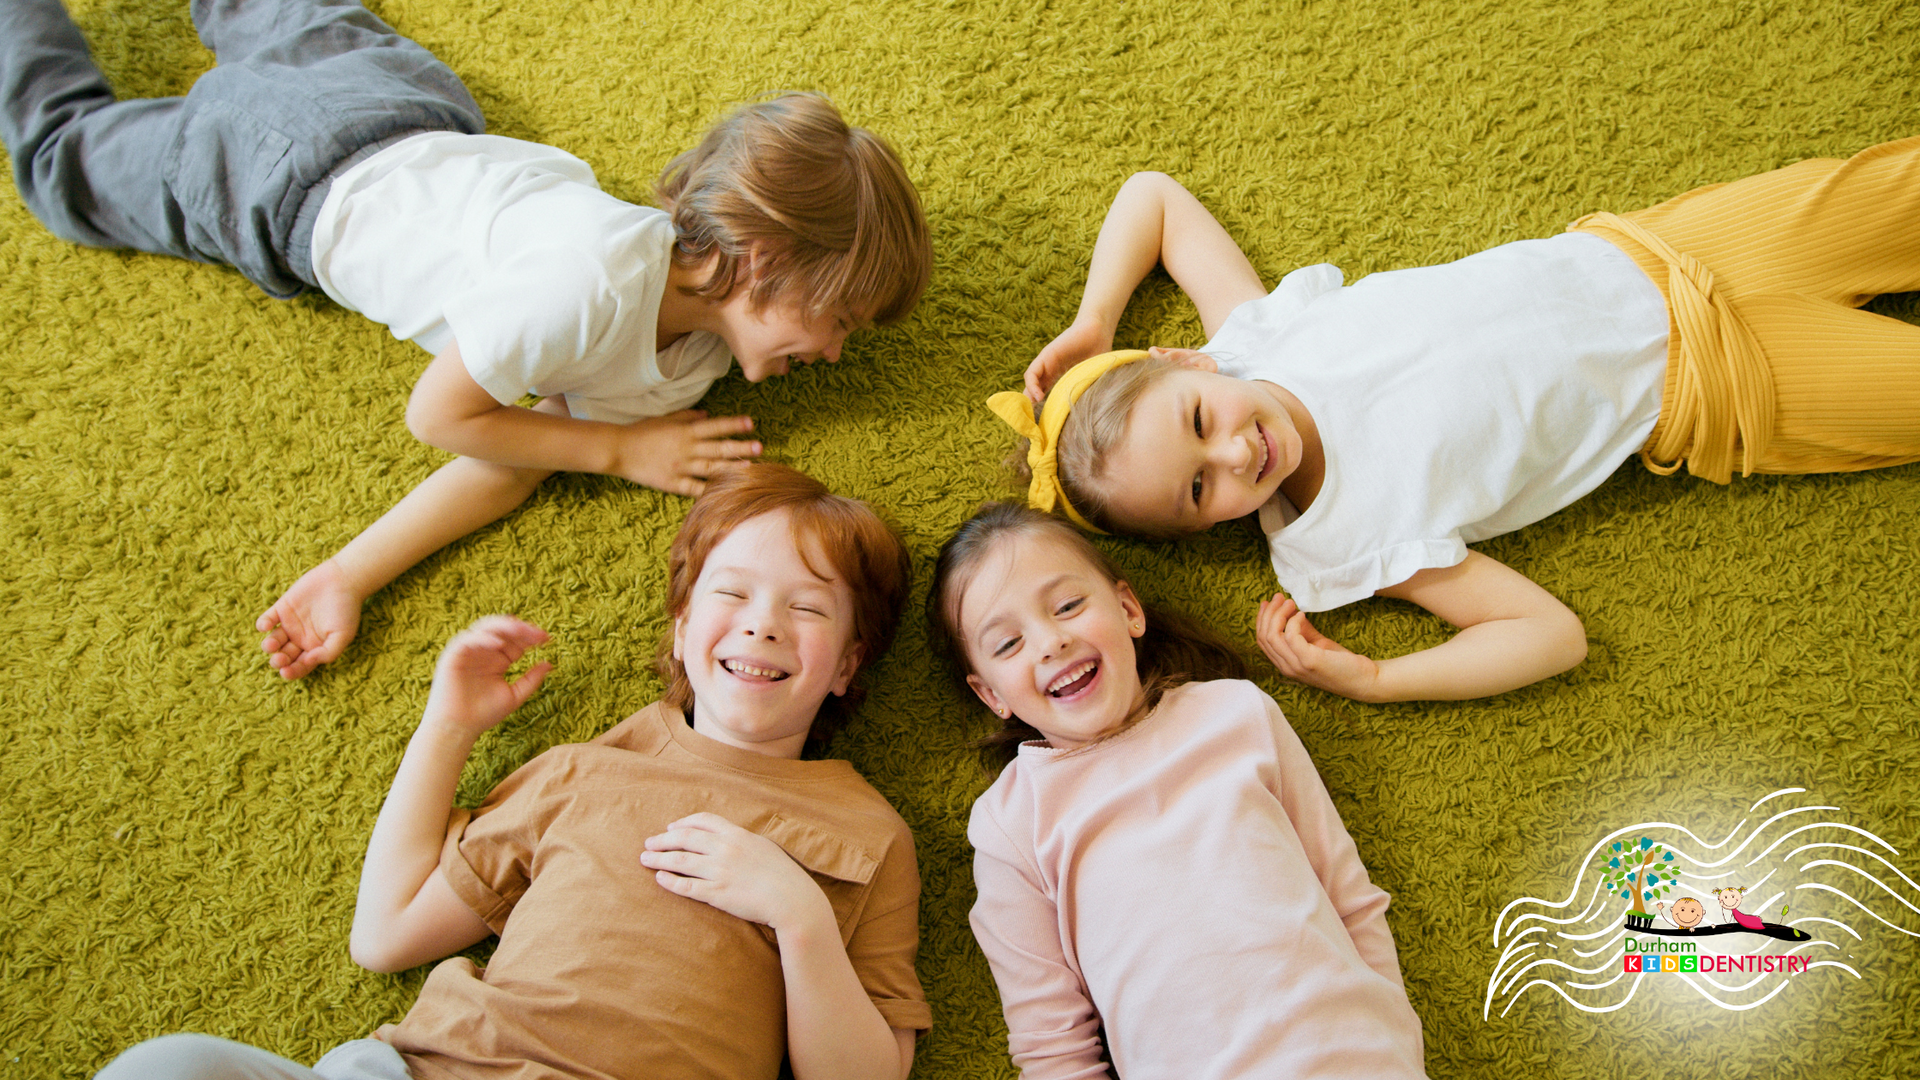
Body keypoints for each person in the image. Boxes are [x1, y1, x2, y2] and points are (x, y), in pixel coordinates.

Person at [0, 0, 932, 680]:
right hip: (278, 182)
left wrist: (348, 573)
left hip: (403, 107)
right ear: (763, 259)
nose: (840, 353)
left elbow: (514, 454)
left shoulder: (695, 360)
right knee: (60, 160)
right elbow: (444, 414)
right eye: (840, 318)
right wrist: (618, 451)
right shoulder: (583, 286)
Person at [997, 140, 1920, 702]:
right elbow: (1553, 637)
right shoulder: (1340, 546)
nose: (1238, 453)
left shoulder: (1260, 336)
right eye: (1202, 492)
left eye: (1201, 418)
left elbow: (1152, 197)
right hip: (1713, 385)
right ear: (1202, 531)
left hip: (1668, 248)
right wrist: (1381, 679)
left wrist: (1095, 320)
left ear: (1185, 361)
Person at [93, 463, 928, 1080]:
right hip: (432, 1069)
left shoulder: (867, 833)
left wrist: (798, 916)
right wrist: (448, 725)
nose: (763, 627)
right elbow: (385, 937)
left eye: (807, 607)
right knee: (165, 1067)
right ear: (679, 629)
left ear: (849, 664)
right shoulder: (580, 773)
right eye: (733, 595)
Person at [927, 502, 1426, 1079]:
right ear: (992, 695)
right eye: (1008, 644)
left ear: (1128, 609)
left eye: (1068, 606)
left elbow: (1349, 897)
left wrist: (1397, 1043)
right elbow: (1052, 1046)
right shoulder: (1012, 822)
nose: (1049, 642)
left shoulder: (1236, 713)